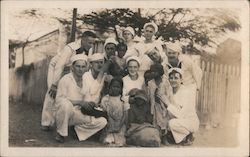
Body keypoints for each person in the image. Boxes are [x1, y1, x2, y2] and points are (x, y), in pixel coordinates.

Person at [41, 31, 97, 130]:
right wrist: (54, 84)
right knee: (52, 93)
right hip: (56, 68)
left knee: (69, 95)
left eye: (93, 43)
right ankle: (46, 122)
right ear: (82, 40)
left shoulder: (89, 50)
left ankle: (67, 119)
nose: (91, 45)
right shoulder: (70, 48)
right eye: (89, 43)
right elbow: (60, 65)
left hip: (70, 69)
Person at [54, 54, 107, 143]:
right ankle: (61, 134)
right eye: (78, 66)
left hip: (78, 114)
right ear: (72, 67)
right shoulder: (66, 79)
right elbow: (59, 100)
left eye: (83, 67)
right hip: (64, 113)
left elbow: (87, 100)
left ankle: (77, 131)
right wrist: (80, 102)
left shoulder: (85, 81)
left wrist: (91, 104)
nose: (80, 69)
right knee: (65, 104)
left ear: (86, 68)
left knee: (102, 121)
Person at [164, 68, 199, 145]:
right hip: (180, 121)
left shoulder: (185, 92)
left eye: (176, 78)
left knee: (171, 123)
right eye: (171, 78)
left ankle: (188, 134)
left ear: (181, 80)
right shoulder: (170, 92)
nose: (173, 80)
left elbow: (181, 114)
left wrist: (167, 103)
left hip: (189, 121)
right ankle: (183, 137)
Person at [164, 42, 202, 111]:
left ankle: (189, 120)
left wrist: (198, 86)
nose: (171, 55)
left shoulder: (186, 60)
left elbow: (197, 71)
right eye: (169, 53)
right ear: (166, 54)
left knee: (189, 106)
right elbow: (166, 77)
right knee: (177, 104)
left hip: (189, 85)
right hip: (176, 86)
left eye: (173, 53)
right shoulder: (165, 63)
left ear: (178, 54)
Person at [144, 63, 174, 138]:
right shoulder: (150, 83)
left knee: (165, 121)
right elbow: (150, 96)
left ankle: (165, 137)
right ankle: (158, 136)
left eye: (155, 71)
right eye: (152, 71)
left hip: (164, 105)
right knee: (156, 122)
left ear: (160, 72)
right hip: (155, 106)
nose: (153, 73)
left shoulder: (165, 81)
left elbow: (169, 93)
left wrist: (166, 102)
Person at [99, 77, 128, 147]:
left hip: (120, 124)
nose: (115, 89)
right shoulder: (105, 99)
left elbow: (125, 115)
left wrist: (120, 126)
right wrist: (111, 126)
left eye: (118, 87)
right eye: (113, 86)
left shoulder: (123, 99)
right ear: (110, 87)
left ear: (121, 88)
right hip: (109, 123)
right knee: (108, 140)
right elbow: (105, 114)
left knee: (120, 141)